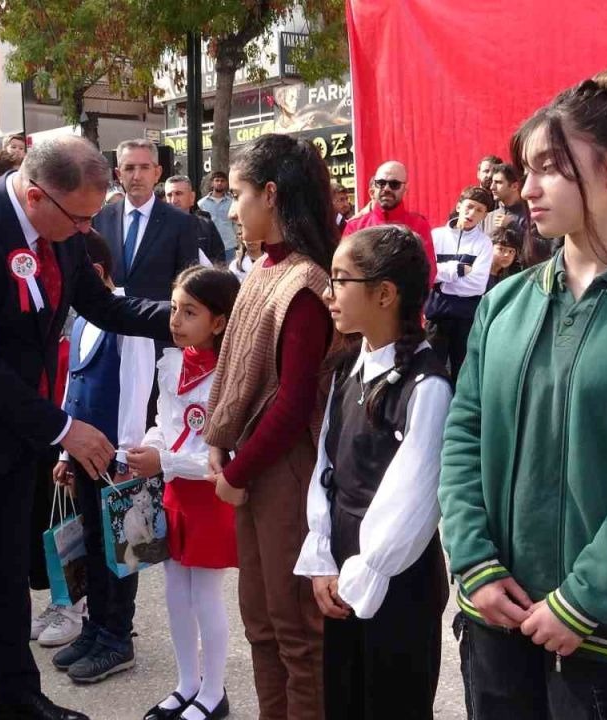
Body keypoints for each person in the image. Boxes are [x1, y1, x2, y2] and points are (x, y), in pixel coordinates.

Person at [437, 70, 607, 720]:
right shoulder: (506, 301)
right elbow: (464, 436)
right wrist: (473, 561)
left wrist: (584, 597)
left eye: (551, 168)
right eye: (523, 169)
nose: (526, 189)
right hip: (494, 622)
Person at [0, 135, 173, 720]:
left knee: (6, 574)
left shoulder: (64, 233)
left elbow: (107, 305)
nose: (88, 229)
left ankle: (19, 698)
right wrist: (65, 428)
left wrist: (195, 321)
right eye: (81, 217)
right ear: (36, 194)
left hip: (17, 432)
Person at [203, 134, 336, 720]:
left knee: (295, 631)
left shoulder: (304, 282)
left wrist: (237, 469)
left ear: (272, 195)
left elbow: (292, 400)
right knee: (260, 622)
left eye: (238, 195)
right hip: (253, 463)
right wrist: (222, 447)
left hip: (283, 467)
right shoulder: (263, 267)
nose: (231, 209)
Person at [294, 225, 452, 719]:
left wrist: (365, 570)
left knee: (391, 702)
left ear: (384, 294)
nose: (328, 292)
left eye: (341, 280)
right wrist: (323, 556)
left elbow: (413, 497)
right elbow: (327, 468)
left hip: (394, 577)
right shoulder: (346, 369)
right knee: (344, 698)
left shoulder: (426, 385)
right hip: (343, 569)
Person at [130, 266, 240, 720]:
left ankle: (213, 692)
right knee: (175, 592)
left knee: (205, 596)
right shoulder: (171, 360)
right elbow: (166, 424)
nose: (175, 320)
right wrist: (147, 450)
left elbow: (223, 458)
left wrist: (167, 462)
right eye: (174, 308)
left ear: (218, 322)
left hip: (208, 497)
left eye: (189, 312)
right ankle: (186, 683)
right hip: (173, 491)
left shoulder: (231, 374)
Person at [45, 233, 155, 675]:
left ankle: (117, 637)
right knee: (91, 540)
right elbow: (74, 385)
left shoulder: (125, 315)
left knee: (122, 550)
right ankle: (95, 625)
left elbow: (136, 387)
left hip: (117, 455)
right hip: (86, 452)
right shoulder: (83, 320)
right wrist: (66, 453)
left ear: (92, 272)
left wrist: (129, 455)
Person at [92, 140, 201, 302]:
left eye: (144, 167)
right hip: (108, 320)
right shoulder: (100, 219)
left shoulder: (181, 223)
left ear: (157, 173)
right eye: (129, 168)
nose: (137, 176)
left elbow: (187, 285)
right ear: (118, 174)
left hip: (157, 323)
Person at [427, 186, 495, 376]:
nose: (472, 213)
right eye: (469, 206)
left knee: (462, 373)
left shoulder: (484, 243)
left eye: (479, 210)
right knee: (432, 370)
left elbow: (478, 284)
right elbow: (428, 273)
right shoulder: (436, 236)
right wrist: (458, 269)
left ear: (484, 216)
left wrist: (443, 278)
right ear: (459, 206)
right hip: (437, 315)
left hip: (466, 316)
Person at [341, 161, 437, 286]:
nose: (386, 189)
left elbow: (428, 273)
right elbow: (344, 271)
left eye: (394, 184)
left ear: (405, 189)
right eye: (380, 183)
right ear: (374, 187)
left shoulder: (418, 225)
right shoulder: (355, 226)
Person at [165, 174, 223, 265]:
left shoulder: (206, 226)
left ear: (192, 197)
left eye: (178, 194)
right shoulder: (157, 229)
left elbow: (219, 262)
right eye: (169, 195)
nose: (173, 200)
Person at [482, 163, 530, 239]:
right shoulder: (487, 218)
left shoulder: (531, 216)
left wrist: (512, 226)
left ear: (514, 186)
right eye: (492, 182)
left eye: (498, 182)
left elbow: (543, 247)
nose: (492, 187)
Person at [198, 170, 237, 261]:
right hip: (210, 246)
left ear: (226, 183)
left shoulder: (232, 202)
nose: (219, 183)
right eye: (217, 180)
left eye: (222, 181)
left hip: (229, 245)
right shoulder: (201, 203)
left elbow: (235, 223)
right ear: (212, 183)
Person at [486, 226, 522, 290]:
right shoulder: (478, 272)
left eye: (511, 251)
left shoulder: (511, 276)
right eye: (501, 249)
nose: (507, 255)